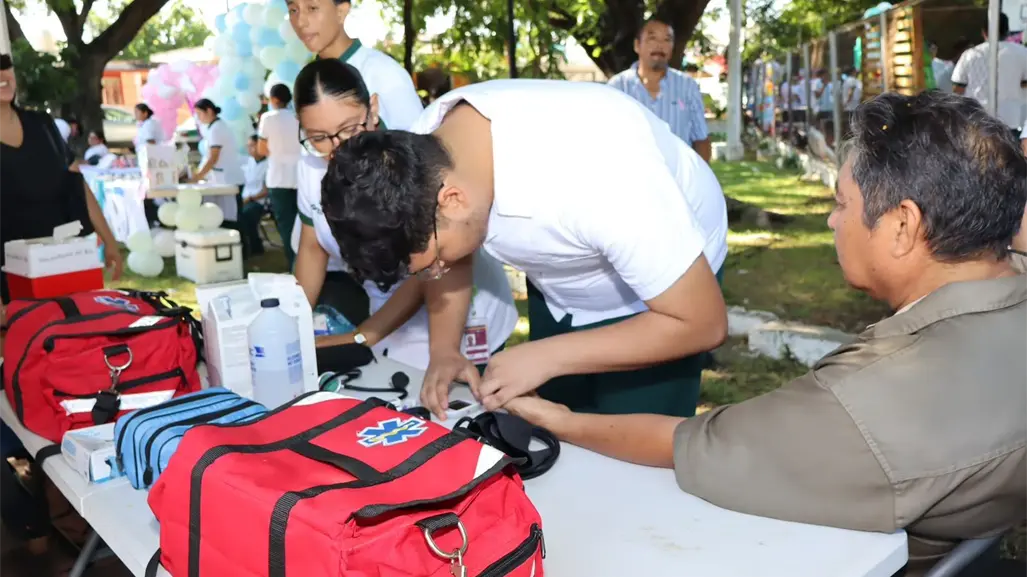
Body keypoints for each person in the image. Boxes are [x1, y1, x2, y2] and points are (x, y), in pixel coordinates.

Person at [501, 91, 1027, 577]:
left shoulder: (870, 403)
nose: (830, 221)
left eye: (841, 203)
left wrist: (562, 422)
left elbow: (693, 445)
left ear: (903, 226)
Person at [321, 79, 728, 420]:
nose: (439, 273)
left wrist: (550, 356)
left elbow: (701, 323)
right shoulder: (428, 152)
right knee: (559, 430)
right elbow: (453, 248)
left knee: (631, 450)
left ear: (455, 200)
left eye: (435, 262)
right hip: (564, 281)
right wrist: (445, 350)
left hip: (665, 299)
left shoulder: (600, 176)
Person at [293, 59, 518, 371]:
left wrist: (365, 335)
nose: (335, 148)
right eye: (318, 137)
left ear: (372, 110)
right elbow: (311, 248)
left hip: (453, 307)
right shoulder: (309, 168)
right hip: (387, 315)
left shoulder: (407, 158)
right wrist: (291, 331)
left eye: (347, 129)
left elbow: (429, 264)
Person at [0, 50, 123, 555]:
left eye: (4, 67)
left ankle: (78, 501)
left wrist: (109, 239)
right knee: (19, 392)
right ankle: (32, 504)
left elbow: (76, 185)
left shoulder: (44, 127)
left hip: (65, 276)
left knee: (73, 379)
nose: (0, 78)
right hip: (9, 289)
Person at [287, 0, 423, 129]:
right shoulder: (307, 80)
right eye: (293, 10)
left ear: (341, 11)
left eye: (312, 8)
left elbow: (419, 144)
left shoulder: (383, 72)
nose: (300, 22)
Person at [606, 16, 711, 162]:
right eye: (652, 38)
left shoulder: (687, 86)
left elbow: (701, 138)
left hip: (677, 179)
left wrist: (701, 182)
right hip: (631, 177)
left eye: (667, 40)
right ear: (637, 45)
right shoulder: (617, 88)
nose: (660, 46)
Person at [952, 13, 1027, 137]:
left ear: (984, 32)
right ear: (1007, 31)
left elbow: (957, 89)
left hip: (978, 121)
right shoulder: (1022, 53)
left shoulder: (970, 55)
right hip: (1012, 121)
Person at [190, 99, 248, 255]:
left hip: (229, 179)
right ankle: (240, 250)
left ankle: (243, 251)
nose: (198, 117)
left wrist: (198, 176)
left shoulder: (217, 129)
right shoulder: (214, 127)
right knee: (227, 217)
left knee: (234, 218)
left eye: (199, 113)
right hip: (222, 178)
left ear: (209, 111)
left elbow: (213, 157)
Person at [257, 83, 301, 268]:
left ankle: (294, 264)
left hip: (278, 177)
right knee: (304, 223)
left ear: (273, 99)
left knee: (286, 225)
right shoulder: (298, 117)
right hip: (300, 175)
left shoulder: (268, 118)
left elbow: (261, 149)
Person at [239, 135, 269, 256]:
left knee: (246, 214)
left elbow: (266, 191)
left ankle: (255, 247)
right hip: (245, 198)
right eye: (248, 146)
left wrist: (250, 198)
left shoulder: (269, 164)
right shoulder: (249, 161)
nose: (249, 149)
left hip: (259, 201)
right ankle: (243, 247)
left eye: (252, 146)